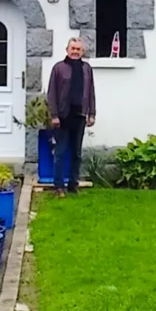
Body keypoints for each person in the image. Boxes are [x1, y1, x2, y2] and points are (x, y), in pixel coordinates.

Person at [45, 37, 96, 196]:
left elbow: (91, 92)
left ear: (82, 51)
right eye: (72, 48)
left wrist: (92, 113)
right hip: (63, 117)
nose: (75, 51)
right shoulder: (59, 68)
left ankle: (73, 185)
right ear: (67, 50)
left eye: (78, 49)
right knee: (60, 152)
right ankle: (59, 187)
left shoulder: (87, 69)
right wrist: (54, 115)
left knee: (77, 153)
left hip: (80, 116)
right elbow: (51, 93)